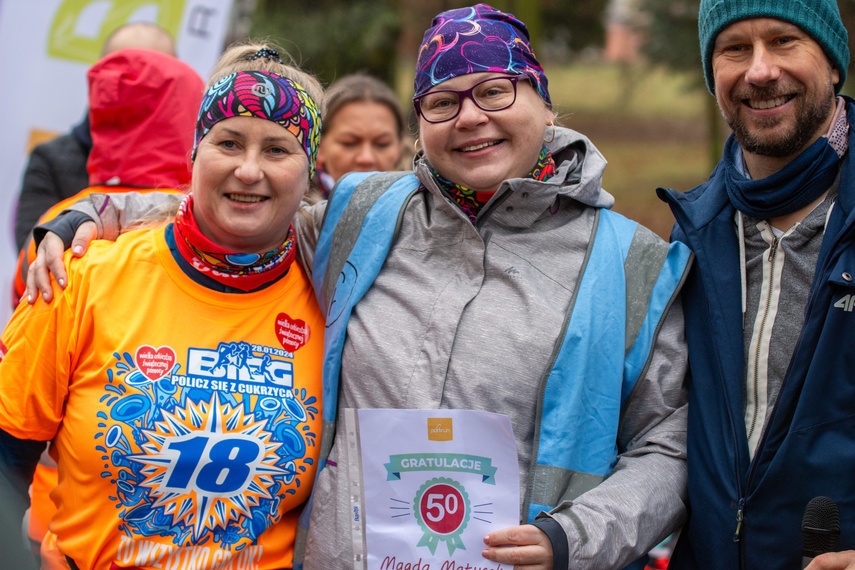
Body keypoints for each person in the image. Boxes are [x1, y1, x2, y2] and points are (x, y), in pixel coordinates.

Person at [27, 5, 693, 568]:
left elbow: (669, 447)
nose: (469, 117)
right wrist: (91, 213)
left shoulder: (632, 261)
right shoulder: (363, 216)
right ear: (420, 125)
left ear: (544, 102)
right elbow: (239, 208)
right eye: (441, 101)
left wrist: (571, 538)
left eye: (494, 90)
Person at [0, 43, 326, 569]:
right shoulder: (82, 275)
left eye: (277, 149)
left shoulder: (337, 295)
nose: (248, 170)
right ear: (194, 153)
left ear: (310, 170)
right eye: (228, 142)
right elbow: (5, 461)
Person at [656, 0, 855, 568]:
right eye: (734, 48)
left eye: (784, 40)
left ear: (834, 63)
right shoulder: (691, 236)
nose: (760, 71)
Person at [12, 22, 176, 252]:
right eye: (126, 72)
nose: (138, 86)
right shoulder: (50, 159)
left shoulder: (196, 161)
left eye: (153, 75)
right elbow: (32, 253)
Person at [310, 73, 405, 199]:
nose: (366, 158)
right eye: (349, 143)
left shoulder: (426, 210)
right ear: (318, 146)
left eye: (382, 144)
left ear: (400, 147)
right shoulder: (291, 213)